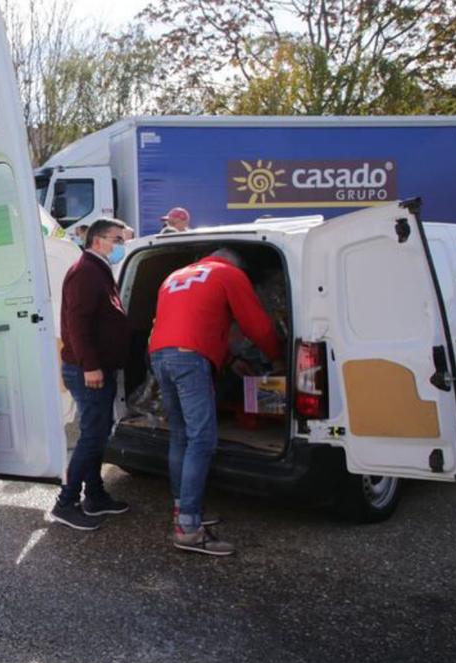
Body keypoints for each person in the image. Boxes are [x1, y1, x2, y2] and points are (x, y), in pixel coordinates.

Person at [148, 248, 281, 556]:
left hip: (160, 356)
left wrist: (230, 359)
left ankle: (183, 511)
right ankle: (190, 530)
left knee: (180, 436)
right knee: (202, 440)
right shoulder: (229, 274)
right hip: (189, 359)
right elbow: (256, 325)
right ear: (237, 265)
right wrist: (276, 358)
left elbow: (194, 321)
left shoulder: (174, 276)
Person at [47, 218, 133, 531]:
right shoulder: (84, 272)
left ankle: (94, 496)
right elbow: (77, 325)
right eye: (117, 239)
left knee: (97, 434)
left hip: (96, 368)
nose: (121, 245)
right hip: (88, 371)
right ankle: (65, 502)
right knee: (92, 436)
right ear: (98, 240)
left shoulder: (96, 269)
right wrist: (90, 365)